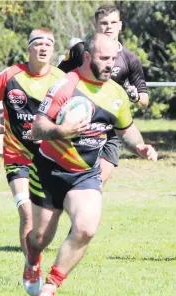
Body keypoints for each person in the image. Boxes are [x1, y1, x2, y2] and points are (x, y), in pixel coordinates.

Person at [24, 33, 158, 296]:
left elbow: (126, 130)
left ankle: (52, 284)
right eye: (104, 58)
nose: (111, 65)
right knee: (40, 238)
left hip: (84, 173)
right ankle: (32, 259)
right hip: (49, 170)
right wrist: (61, 130)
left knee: (86, 229)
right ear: (87, 57)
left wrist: (141, 146)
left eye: (113, 59)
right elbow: (37, 127)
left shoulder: (116, 92)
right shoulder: (65, 85)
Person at [0, 28, 64, 291]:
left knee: (47, 217)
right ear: (29, 49)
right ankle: (32, 267)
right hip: (18, 155)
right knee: (27, 213)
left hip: (49, 157)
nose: (44, 48)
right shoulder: (11, 76)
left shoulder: (62, 80)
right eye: (38, 44)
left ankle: (35, 257)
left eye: (49, 43)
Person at [58, 4, 149, 184]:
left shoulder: (130, 59)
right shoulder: (80, 50)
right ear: (96, 25)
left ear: (120, 25)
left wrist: (135, 96)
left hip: (111, 128)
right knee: (70, 183)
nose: (109, 27)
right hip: (80, 123)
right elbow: (56, 79)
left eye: (113, 22)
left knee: (95, 185)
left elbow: (144, 101)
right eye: (104, 23)